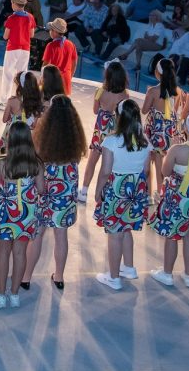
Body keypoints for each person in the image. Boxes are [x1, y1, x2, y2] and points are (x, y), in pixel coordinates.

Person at [22, 94, 87, 289]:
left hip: (45, 188)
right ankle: (59, 277)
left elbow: (33, 156)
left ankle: (26, 277)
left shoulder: (43, 134)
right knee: (61, 235)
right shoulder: (75, 136)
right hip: (66, 189)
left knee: (37, 234)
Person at [93, 100, 152, 291]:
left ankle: (114, 277)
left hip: (117, 189)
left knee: (115, 234)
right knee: (126, 229)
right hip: (136, 189)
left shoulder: (111, 141)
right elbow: (146, 170)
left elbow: (105, 171)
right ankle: (129, 267)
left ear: (119, 117)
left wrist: (98, 191)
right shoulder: (145, 142)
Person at [0, 120, 44, 308]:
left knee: (3, 253)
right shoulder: (36, 164)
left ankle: (1, 296)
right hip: (26, 214)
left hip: (6, 214)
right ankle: (15, 294)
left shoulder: (1, 163)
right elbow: (42, 189)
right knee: (20, 253)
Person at [149, 113, 189, 288]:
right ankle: (188, 275)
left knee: (172, 234)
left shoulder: (179, 149)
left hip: (180, 194)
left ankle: (167, 273)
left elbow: (165, 172)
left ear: (187, 128)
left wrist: (171, 149)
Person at [79, 60, 130, 203]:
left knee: (92, 160)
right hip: (115, 130)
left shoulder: (100, 92)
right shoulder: (125, 95)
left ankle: (84, 191)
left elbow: (95, 111)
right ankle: (102, 192)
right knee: (109, 164)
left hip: (100, 130)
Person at [143, 57, 181, 194]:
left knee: (152, 162)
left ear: (158, 72)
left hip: (155, 129)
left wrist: (151, 98)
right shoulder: (178, 91)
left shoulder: (153, 90)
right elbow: (173, 111)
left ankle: (156, 193)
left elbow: (144, 110)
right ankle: (159, 191)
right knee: (160, 161)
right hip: (168, 130)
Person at [0, 0, 35, 108]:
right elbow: (32, 34)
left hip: (13, 48)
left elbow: (5, 36)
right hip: (25, 49)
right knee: (22, 74)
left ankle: (4, 101)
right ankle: (21, 99)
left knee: (8, 74)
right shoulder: (30, 17)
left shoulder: (12, 18)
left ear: (14, 4)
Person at [41, 18, 78, 94]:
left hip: (54, 81)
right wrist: (69, 77)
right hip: (66, 81)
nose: (49, 31)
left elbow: (45, 65)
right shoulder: (71, 44)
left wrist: (42, 80)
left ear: (54, 31)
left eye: (51, 29)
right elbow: (74, 63)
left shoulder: (50, 45)